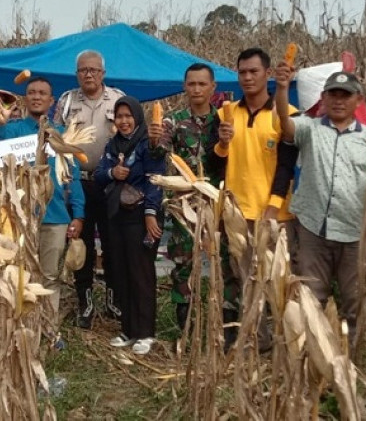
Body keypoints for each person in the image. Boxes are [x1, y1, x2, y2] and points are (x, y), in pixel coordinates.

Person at [275, 67, 366, 345]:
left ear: (358, 99)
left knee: (354, 300)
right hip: (312, 230)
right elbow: (284, 123)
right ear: (323, 98)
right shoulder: (309, 129)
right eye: (333, 94)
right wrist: (282, 89)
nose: (339, 100)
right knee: (311, 297)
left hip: (354, 233)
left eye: (346, 95)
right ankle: (313, 361)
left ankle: (350, 359)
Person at [220, 47, 298, 351]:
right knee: (245, 280)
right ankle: (256, 340)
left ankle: (286, 339)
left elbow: (287, 164)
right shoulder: (228, 114)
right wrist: (222, 144)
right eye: (242, 72)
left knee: (277, 279)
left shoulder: (285, 115)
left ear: (268, 74)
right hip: (237, 213)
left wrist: (274, 205)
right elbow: (218, 162)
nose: (248, 77)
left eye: (254, 71)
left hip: (273, 214)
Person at [0, 77, 85, 322]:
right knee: (19, 273)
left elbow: (72, 177)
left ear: (51, 100)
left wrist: (78, 214)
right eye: (32, 92)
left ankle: (49, 328)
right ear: (25, 97)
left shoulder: (62, 134)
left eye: (42, 93)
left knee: (50, 276)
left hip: (54, 216)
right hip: (19, 217)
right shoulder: (11, 130)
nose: (37, 96)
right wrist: (0, 127)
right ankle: (21, 326)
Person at [148, 63, 236, 329]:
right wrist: (153, 141)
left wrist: (227, 140)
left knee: (226, 262)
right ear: (185, 86)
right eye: (191, 84)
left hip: (218, 202)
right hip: (184, 203)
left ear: (213, 87)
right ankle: (186, 328)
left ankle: (227, 324)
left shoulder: (225, 122)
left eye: (202, 84)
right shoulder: (173, 121)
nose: (196, 89)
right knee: (183, 262)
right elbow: (158, 154)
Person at [54, 50, 125, 328]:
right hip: (77, 183)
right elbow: (56, 140)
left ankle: (112, 300)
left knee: (110, 243)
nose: (89, 74)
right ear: (77, 74)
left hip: (108, 182)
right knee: (80, 243)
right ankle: (86, 304)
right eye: (83, 70)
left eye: (94, 70)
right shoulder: (67, 101)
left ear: (103, 73)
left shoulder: (118, 99)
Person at [94, 96, 165, 355]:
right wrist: (114, 173)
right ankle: (128, 329)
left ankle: (146, 332)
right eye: (119, 116)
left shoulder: (149, 144)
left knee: (141, 273)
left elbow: (155, 179)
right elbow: (100, 174)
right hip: (118, 217)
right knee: (122, 271)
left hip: (141, 216)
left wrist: (150, 214)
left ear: (137, 116)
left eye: (128, 116)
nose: (124, 121)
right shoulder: (113, 145)